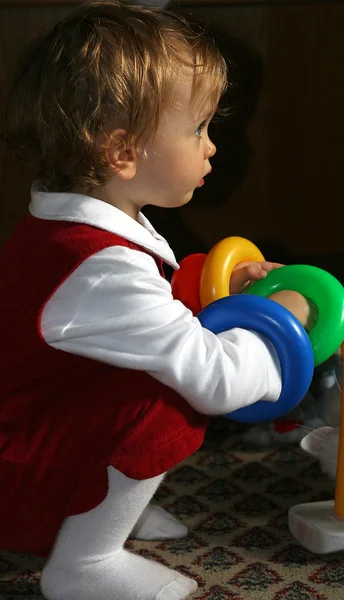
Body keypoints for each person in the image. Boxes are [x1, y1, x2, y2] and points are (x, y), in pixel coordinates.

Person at [0, 2, 312, 599]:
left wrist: (230, 289)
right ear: (121, 152)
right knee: (164, 396)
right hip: (17, 473)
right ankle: (84, 560)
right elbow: (214, 378)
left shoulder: (88, 228)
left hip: (33, 438)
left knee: (153, 369)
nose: (212, 146)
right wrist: (279, 323)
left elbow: (158, 309)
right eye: (197, 129)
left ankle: (97, 508)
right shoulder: (102, 266)